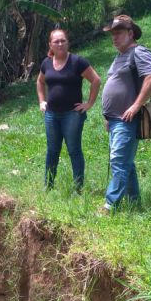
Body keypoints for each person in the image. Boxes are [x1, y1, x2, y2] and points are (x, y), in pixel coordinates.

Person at [99, 15, 151, 213]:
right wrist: (108, 117)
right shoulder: (119, 56)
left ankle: (110, 205)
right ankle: (134, 203)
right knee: (126, 162)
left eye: (119, 33)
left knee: (118, 160)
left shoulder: (138, 52)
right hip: (115, 119)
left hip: (127, 119)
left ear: (130, 33)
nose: (114, 37)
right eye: (113, 34)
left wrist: (135, 106)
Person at [36, 29, 101, 190]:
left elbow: (96, 80)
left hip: (72, 115)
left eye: (63, 40)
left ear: (67, 42)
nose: (59, 44)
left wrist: (89, 103)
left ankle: (78, 188)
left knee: (74, 150)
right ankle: (48, 186)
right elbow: (39, 82)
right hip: (51, 114)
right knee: (52, 150)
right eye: (56, 41)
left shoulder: (77, 62)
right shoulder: (46, 63)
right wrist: (42, 101)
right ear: (50, 44)